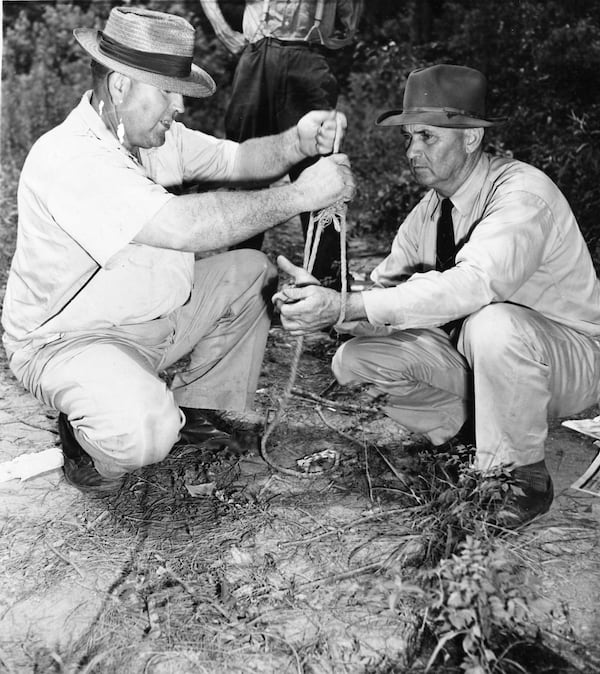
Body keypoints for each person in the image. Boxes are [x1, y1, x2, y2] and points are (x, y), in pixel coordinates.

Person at [1, 6, 355, 495]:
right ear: (120, 86)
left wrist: (297, 141)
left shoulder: (155, 138)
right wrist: (299, 195)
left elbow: (240, 159)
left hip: (154, 320)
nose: (180, 107)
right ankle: (86, 446)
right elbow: (183, 226)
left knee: (253, 272)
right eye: (168, 92)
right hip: (72, 340)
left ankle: (200, 411)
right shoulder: (71, 157)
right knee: (144, 431)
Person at [274, 64, 600, 526]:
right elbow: (383, 298)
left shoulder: (523, 194)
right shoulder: (426, 215)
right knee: (355, 359)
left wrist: (350, 304)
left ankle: (520, 476)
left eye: (427, 137)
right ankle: (466, 435)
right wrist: (325, 304)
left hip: (571, 361)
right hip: (478, 356)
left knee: (494, 324)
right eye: (409, 137)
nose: (412, 151)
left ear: (470, 137)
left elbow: (474, 284)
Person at [199, 0, 363, 286]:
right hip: (258, 57)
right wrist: (223, 29)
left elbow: (349, 14)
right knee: (246, 170)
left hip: (308, 57)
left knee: (320, 169)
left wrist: (345, 29)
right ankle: (240, 284)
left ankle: (329, 286)